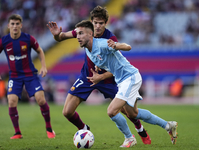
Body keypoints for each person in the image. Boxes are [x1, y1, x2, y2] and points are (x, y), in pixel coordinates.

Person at [47, 6, 151, 146]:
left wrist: (101, 77)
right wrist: (55, 35)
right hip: (87, 77)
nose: (97, 26)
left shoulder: (110, 38)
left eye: (101, 23)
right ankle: (84, 130)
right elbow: (61, 37)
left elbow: (118, 66)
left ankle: (140, 130)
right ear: (91, 22)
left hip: (108, 79)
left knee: (128, 111)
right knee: (67, 112)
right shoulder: (83, 30)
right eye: (95, 22)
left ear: (105, 23)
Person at [74, 20, 178, 146]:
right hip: (122, 80)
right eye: (77, 34)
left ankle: (129, 138)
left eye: (81, 33)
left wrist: (116, 45)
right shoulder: (88, 50)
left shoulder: (102, 44)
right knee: (133, 113)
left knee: (111, 111)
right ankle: (168, 125)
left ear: (90, 34)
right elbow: (104, 60)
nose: (78, 37)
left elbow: (127, 46)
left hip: (130, 77)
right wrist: (98, 70)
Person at [0, 14, 55, 139]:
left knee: (41, 99)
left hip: (30, 74)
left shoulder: (28, 39)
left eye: (17, 24)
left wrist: (44, 66)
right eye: (12, 24)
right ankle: (17, 132)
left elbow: (40, 50)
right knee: (11, 101)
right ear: (8, 25)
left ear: (21, 25)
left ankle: (49, 129)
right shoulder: (4, 41)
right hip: (14, 76)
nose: (14, 26)